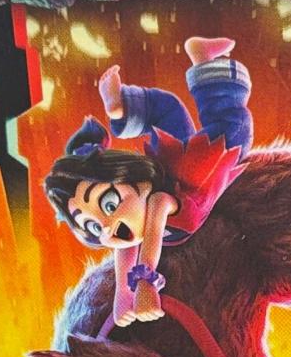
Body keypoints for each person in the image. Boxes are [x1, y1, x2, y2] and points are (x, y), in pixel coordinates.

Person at [41, 37, 255, 325]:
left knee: (235, 129)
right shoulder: (128, 225)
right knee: (168, 111)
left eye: (109, 204)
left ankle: (200, 66)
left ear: (137, 182)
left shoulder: (157, 201)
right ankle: (130, 103)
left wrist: (146, 286)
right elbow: (125, 246)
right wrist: (122, 297)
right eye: (92, 226)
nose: (106, 227)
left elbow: (151, 241)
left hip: (196, 172)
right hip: (173, 165)